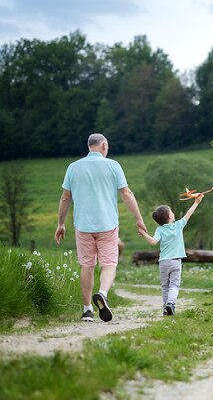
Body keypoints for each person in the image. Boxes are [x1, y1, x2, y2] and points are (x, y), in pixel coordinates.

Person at [54, 133, 147, 323]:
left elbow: (65, 198)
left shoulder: (73, 167)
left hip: (83, 225)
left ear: (89, 146)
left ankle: (87, 309)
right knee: (109, 263)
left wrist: (60, 223)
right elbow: (126, 193)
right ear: (104, 146)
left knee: (87, 265)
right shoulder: (113, 166)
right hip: (108, 225)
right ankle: (102, 294)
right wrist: (139, 219)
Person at [138, 195, 204, 316]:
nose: (173, 213)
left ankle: (165, 309)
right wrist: (196, 202)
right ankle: (171, 303)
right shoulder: (178, 225)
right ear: (169, 216)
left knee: (165, 287)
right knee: (174, 285)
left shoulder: (160, 230)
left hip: (163, 262)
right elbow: (189, 214)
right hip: (175, 262)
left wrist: (143, 233)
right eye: (171, 212)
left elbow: (153, 242)